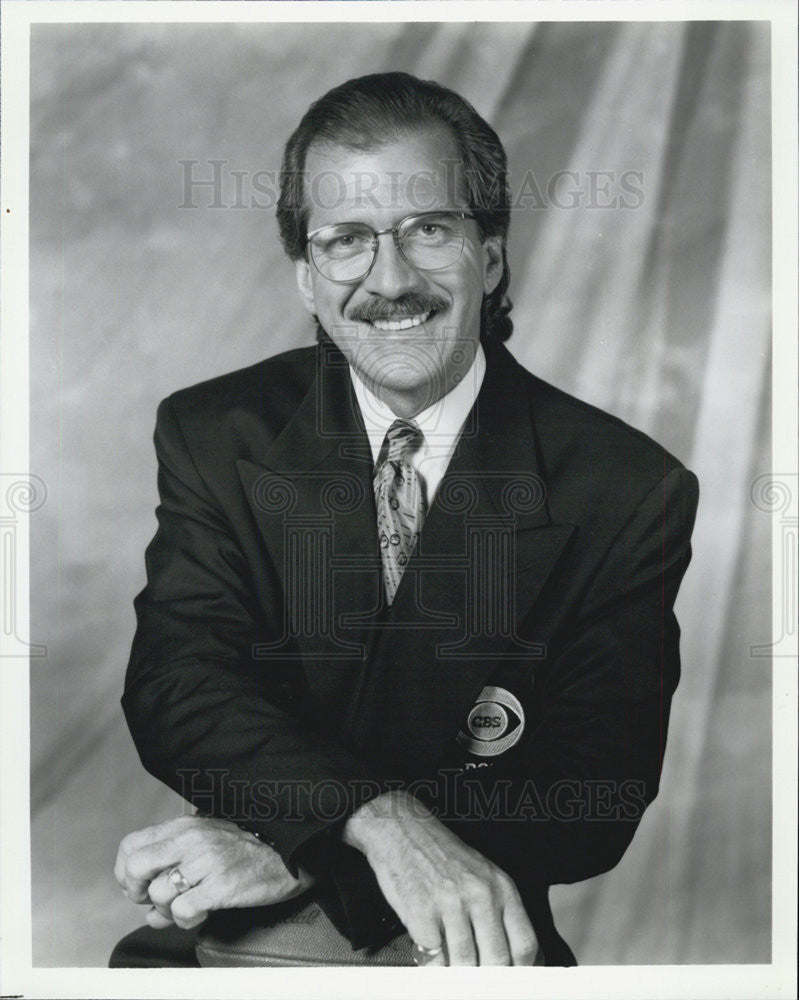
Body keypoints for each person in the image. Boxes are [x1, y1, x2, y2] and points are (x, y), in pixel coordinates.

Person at [111, 71, 698, 968]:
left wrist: (293, 851)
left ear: (491, 256)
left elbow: (593, 792)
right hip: (236, 946)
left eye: (428, 229)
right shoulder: (211, 433)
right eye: (346, 240)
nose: (389, 280)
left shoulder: (627, 485)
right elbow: (180, 686)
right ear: (307, 277)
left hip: (464, 946)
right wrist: (376, 823)